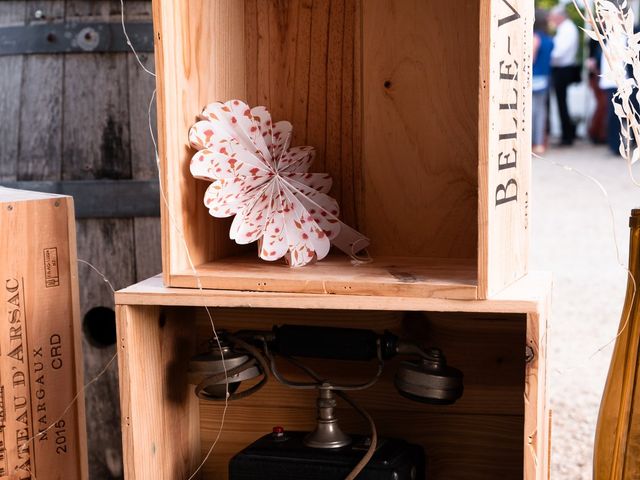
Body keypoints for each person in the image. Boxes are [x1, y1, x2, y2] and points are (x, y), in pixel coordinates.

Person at [549, 5, 580, 146]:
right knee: (561, 103)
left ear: (559, 16)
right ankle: (566, 135)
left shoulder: (567, 29)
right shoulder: (565, 29)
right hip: (561, 68)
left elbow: (558, 53)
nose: (552, 20)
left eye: (553, 17)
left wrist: (546, 57)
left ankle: (567, 136)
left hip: (563, 69)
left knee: (562, 103)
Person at [532, 10, 554, 155]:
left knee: (532, 112)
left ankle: (532, 142)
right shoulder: (550, 39)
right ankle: (540, 143)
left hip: (533, 78)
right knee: (541, 112)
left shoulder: (535, 38)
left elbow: (531, 60)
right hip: (545, 78)